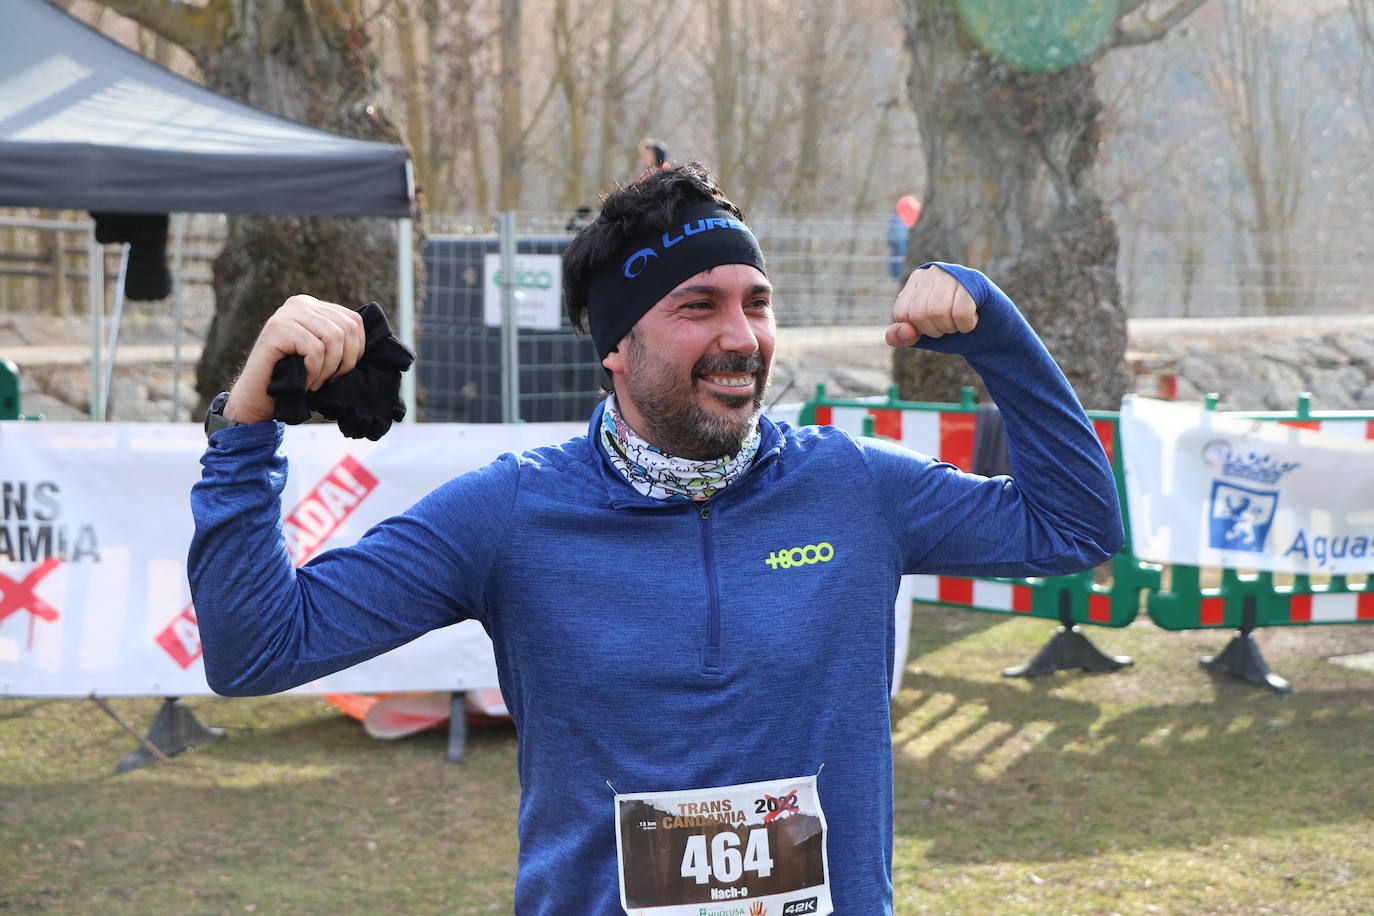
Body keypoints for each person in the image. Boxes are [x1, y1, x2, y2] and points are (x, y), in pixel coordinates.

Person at [189, 161, 1123, 915]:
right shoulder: (512, 516)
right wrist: (247, 429)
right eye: (697, 306)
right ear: (614, 345)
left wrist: (997, 332)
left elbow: (1077, 524)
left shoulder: (852, 487)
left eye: (755, 302)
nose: (742, 337)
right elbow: (257, 649)